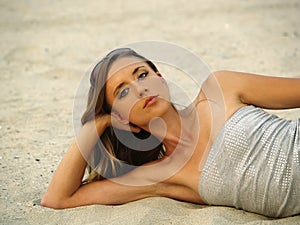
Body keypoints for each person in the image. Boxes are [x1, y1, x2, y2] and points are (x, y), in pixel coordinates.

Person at [41, 48, 300, 218]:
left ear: (160, 77)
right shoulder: (160, 176)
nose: (140, 89)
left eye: (142, 74)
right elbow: (58, 198)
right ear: (120, 116)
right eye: (123, 92)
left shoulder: (219, 88)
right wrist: (96, 125)